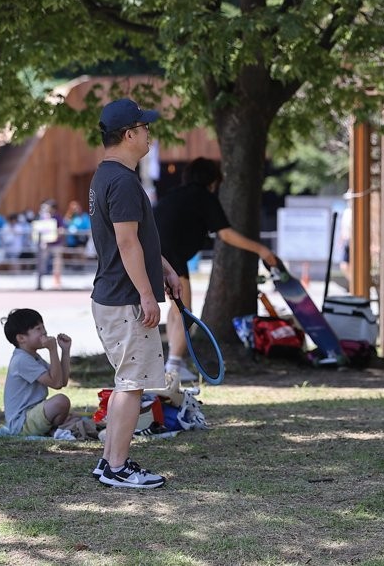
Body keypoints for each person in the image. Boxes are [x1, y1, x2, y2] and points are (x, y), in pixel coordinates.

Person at [89, 98, 181, 489]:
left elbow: (136, 240)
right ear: (129, 135)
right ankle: (117, 466)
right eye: (144, 128)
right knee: (132, 383)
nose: (149, 134)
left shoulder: (106, 175)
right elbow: (126, 244)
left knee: (128, 379)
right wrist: (146, 293)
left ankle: (109, 459)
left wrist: (163, 267)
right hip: (124, 298)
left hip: (112, 294)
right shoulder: (123, 182)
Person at [154, 157, 278, 379]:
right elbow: (225, 234)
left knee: (176, 309)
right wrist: (262, 250)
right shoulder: (204, 197)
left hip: (155, 254)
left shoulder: (175, 195)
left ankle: (173, 362)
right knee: (184, 311)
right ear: (213, 180)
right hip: (172, 256)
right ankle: (173, 365)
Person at [2, 308, 79, 436]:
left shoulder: (33, 356)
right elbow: (56, 383)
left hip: (30, 416)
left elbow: (62, 381)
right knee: (61, 401)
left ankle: (53, 428)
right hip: (21, 423)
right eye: (38, 329)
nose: (44, 332)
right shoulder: (21, 360)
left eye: (43, 327)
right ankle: (54, 429)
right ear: (21, 338)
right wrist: (52, 350)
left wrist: (65, 351)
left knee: (65, 407)